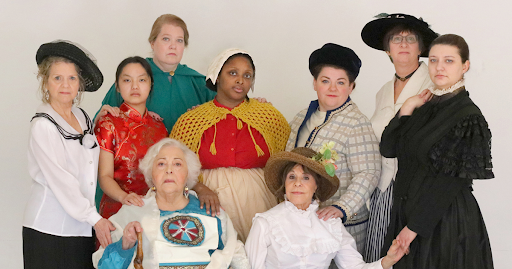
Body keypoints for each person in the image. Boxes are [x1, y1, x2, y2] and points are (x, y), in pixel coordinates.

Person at [380, 34, 494, 268]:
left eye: (449, 61)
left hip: (443, 222)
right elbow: (389, 148)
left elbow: (448, 182)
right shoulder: (425, 106)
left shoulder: (468, 116)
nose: (439, 67)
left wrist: (413, 229)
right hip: (407, 214)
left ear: (465, 66)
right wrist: (407, 107)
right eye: (433, 60)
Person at [94, 13, 216, 208]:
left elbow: (225, 108)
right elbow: (102, 127)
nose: (173, 46)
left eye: (179, 40)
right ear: (152, 43)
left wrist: (254, 103)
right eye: (166, 39)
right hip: (125, 183)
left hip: (179, 179)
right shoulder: (135, 74)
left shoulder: (197, 82)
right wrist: (101, 114)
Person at [171, 48, 291, 242]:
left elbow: (287, 161)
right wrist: (200, 188)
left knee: (259, 255)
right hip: (207, 203)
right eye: (232, 73)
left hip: (260, 200)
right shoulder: (191, 120)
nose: (240, 80)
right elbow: (175, 167)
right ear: (217, 76)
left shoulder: (269, 116)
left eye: (247, 75)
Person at [23, 40, 114, 269]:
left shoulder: (82, 117)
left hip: (81, 228)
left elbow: (86, 159)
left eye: (72, 78)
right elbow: (62, 181)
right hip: (49, 230)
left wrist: (104, 119)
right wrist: (96, 220)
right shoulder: (43, 126)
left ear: (79, 83)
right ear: (45, 83)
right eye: (57, 78)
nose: (65, 85)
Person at [92, 138, 248, 269]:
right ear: (151, 175)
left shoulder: (210, 211)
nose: (169, 170)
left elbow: (237, 257)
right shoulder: (132, 212)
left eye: (177, 164)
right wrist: (125, 245)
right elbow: (104, 266)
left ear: (188, 174)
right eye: (161, 164)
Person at [286, 43, 381, 253]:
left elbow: (369, 173)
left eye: (340, 82)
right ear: (314, 83)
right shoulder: (301, 118)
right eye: (325, 81)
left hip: (342, 227)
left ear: (351, 87)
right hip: (303, 224)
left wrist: (341, 208)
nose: (332, 88)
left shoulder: (357, 123)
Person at [360, 13, 439, 262]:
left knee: (412, 257)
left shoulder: (435, 84)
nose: (403, 43)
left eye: (410, 38)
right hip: (383, 186)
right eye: (396, 38)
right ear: (387, 50)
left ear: (421, 47)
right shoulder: (382, 92)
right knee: (378, 254)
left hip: (416, 189)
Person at [245, 147, 406, 269]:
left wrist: (387, 261)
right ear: (284, 184)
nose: (297, 183)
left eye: (306, 177)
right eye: (291, 177)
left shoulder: (331, 223)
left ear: (316, 185)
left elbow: (356, 267)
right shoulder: (265, 222)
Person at [95, 56, 168, 220]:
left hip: (154, 211)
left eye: (142, 80)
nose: (135, 86)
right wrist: (123, 197)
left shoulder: (159, 126)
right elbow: (104, 176)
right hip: (118, 211)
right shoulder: (108, 124)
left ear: (150, 85)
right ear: (118, 87)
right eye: (127, 80)